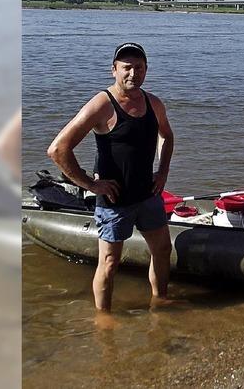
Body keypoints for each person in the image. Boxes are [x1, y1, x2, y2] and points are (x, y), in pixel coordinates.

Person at [47, 42, 174, 312]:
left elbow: (166, 135)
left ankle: (159, 300)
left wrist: (162, 172)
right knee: (109, 262)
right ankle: (104, 319)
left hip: (148, 193)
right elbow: (58, 149)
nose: (133, 73)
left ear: (146, 70)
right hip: (115, 199)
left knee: (162, 250)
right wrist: (90, 184)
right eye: (126, 67)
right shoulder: (102, 104)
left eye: (138, 67)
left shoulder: (154, 103)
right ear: (113, 70)